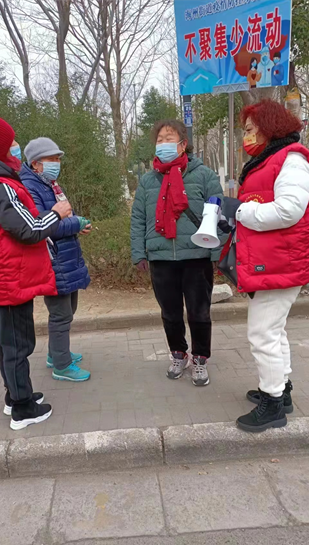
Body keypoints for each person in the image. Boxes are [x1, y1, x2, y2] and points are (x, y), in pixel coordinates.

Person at [0, 116, 72, 430]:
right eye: (10, 141)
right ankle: (23, 409)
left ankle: (15, 395)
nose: (15, 146)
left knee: (6, 343)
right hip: (6, 281)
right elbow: (29, 229)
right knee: (17, 345)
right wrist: (57, 212)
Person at [222, 99, 309, 433]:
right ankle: (282, 390)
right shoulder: (272, 160)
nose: (245, 137)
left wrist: (240, 211)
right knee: (273, 330)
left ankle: (273, 404)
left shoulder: (292, 160)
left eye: (250, 129)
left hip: (284, 261)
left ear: (269, 126)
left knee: (262, 333)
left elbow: (287, 211)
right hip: (279, 259)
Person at [131, 120, 226, 386]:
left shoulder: (204, 176)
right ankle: (178, 353)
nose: (163, 144)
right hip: (161, 258)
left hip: (197, 257)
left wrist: (217, 254)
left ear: (183, 144)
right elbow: (138, 219)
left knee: (199, 313)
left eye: (168, 138)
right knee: (170, 313)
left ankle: (200, 358)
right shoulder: (148, 181)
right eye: (159, 139)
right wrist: (139, 253)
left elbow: (220, 216)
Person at [20, 138, 91, 382]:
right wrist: (76, 223)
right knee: (60, 314)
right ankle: (62, 365)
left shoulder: (49, 184)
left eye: (58, 159)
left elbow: (62, 218)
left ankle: (55, 353)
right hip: (53, 260)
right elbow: (46, 223)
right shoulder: (30, 187)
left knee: (68, 309)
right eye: (52, 159)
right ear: (36, 164)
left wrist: (75, 225)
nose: (57, 164)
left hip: (66, 257)